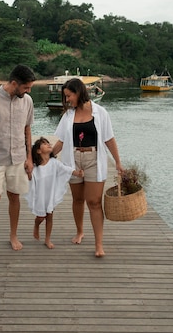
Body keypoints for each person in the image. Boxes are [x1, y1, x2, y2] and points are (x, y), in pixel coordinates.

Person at [52, 78, 124, 258]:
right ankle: (79, 231)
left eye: (69, 96)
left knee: (94, 202)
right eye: (66, 97)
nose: (67, 100)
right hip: (73, 159)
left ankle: (99, 244)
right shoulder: (68, 116)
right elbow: (60, 141)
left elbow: (109, 139)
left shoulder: (100, 113)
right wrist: (48, 156)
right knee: (77, 199)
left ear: (78, 92)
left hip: (94, 159)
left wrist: (118, 162)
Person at [0, 64, 36, 259]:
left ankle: (13, 235)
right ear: (14, 83)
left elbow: (27, 130)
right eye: (26, 87)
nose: (28, 91)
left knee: (14, 197)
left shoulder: (27, 101)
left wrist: (29, 158)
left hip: (18, 157)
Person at [25, 136, 83, 249]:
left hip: (50, 194)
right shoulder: (36, 167)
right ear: (38, 150)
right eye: (44, 143)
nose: (48, 144)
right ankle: (36, 224)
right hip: (39, 195)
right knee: (41, 217)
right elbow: (29, 177)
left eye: (48, 142)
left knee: (50, 215)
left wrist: (77, 173)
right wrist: (27, 171)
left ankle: (47, 239)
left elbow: (65, 169)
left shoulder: (54, 163)